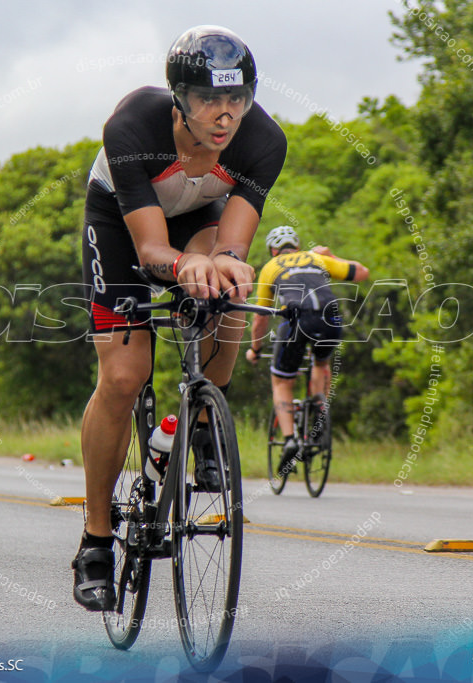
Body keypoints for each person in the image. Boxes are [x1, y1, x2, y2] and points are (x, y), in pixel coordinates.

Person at [74, 26, 287, 611]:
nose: (224, 116)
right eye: (206, 101)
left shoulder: (264, 140)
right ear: (179, 99)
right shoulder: (132, 127)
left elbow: (233, 247)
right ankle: (95, 541)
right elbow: (149, 252)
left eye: (236, 99)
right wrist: (187, 262)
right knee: (123, 377)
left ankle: (202, 420)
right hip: (124, 224)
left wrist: (225, 265)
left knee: (226, 290)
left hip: (201, 215)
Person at [245, 225, 370, 475]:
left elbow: (261, 318)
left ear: (273, 250)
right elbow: (362, 273)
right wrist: (331, 257)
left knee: (281, 381)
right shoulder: (317, 258)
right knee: (321, 363)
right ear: (297, 246)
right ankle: (320, 408)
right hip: (330, 315)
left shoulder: (271, 268)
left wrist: (255, 350)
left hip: (296, 319)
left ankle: (291, 438)